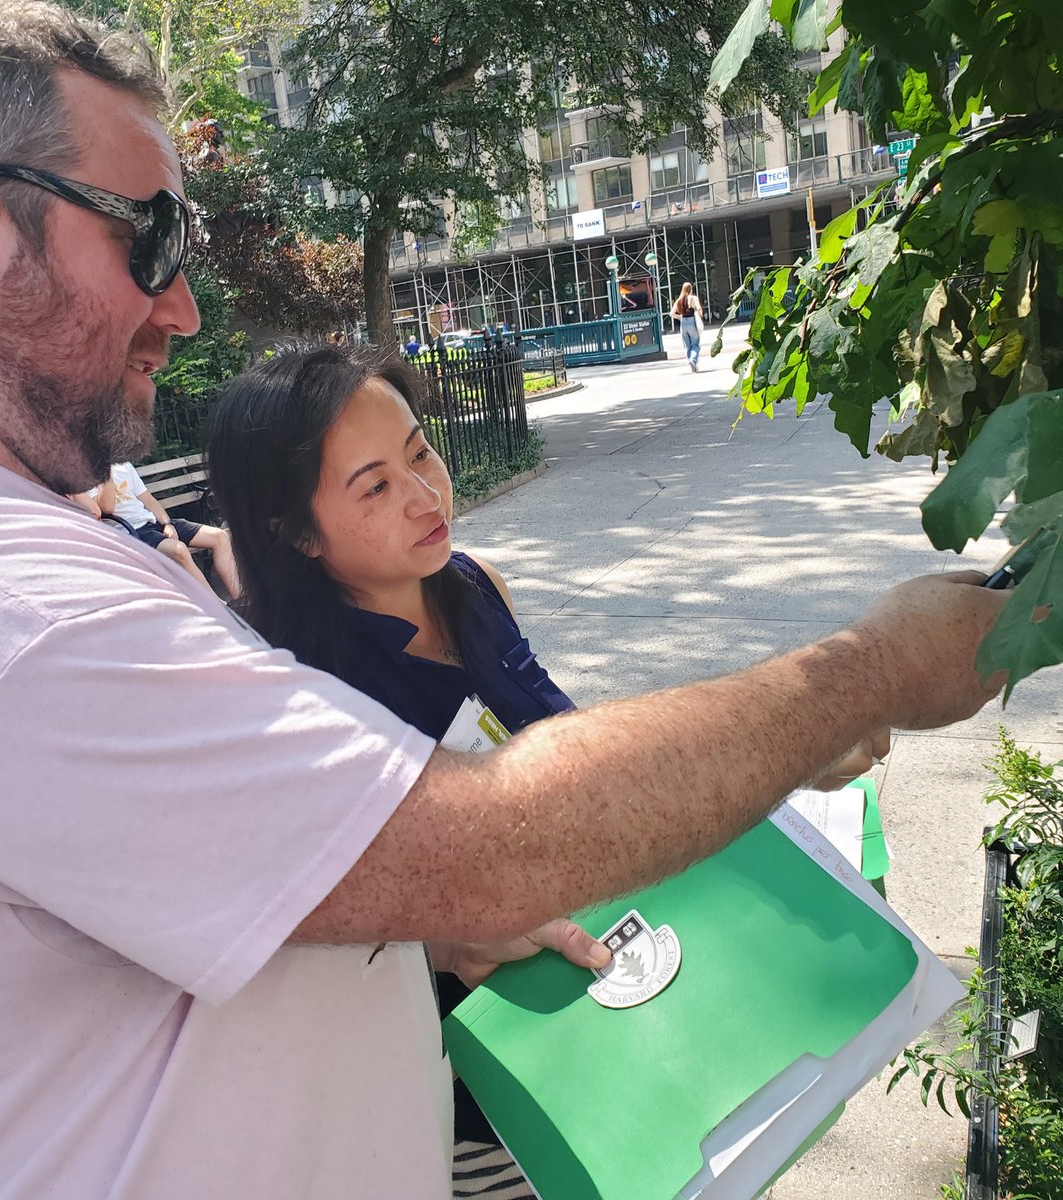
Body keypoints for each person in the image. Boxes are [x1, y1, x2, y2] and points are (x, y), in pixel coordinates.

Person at [0, 3, 1010, 1198]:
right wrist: (865, 676)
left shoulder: (14, 550)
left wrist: (422, 927)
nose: (184, 308)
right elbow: (500, 841)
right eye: (146, 237)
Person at [204, 344, 891, 1198]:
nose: (425, 495)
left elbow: (566, 766)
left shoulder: (472, 585)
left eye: (420, 451)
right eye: (375, 486)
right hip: (498, 1090)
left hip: (634, 997)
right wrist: (444, 935)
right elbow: (302, 929)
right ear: (296, 533)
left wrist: (764, 761)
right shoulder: (304, 700)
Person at [92, 460, 241, 597]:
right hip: (132, 533)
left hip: (153, 523)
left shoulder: (124, 465)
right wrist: (106, 471)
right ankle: (219, 608)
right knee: (179, 549)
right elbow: (106, 508)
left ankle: (240, 600)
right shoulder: (87, 474)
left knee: (220, 536)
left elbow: (149, 500)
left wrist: (167, 523)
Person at [672, 280, 704, 371]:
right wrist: (700, 317)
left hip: (683, 323)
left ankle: (691, 362)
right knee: (695, 345)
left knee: (687, 346)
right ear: (691, 289)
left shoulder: (679, 300)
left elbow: (671, 313)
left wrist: (680, 317)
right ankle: (692, 360)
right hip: (692, 321)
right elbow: (698, 308)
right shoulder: (693, 298)